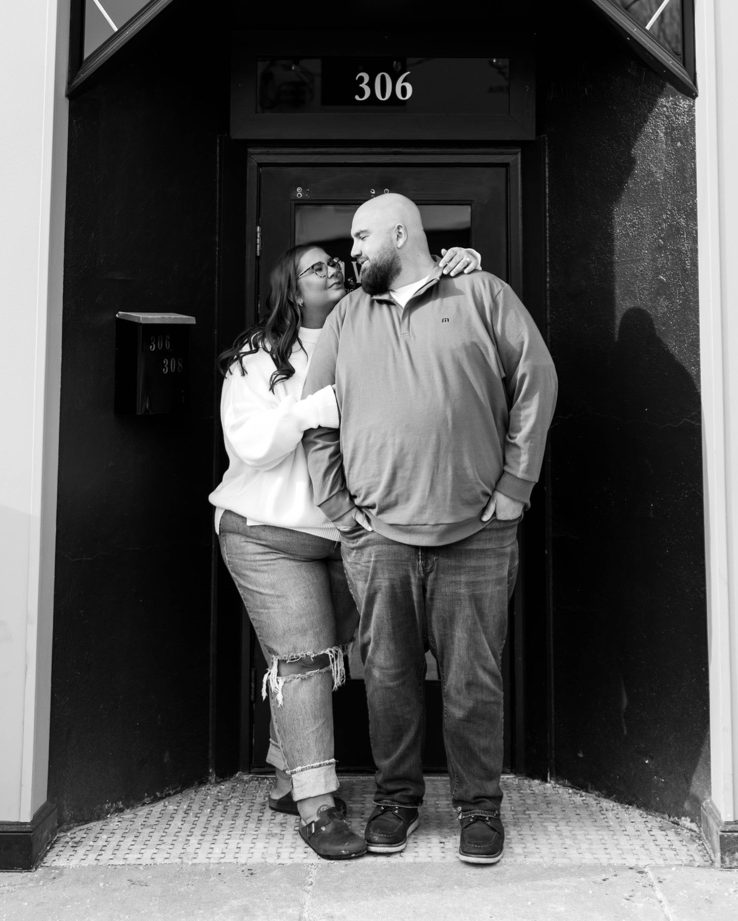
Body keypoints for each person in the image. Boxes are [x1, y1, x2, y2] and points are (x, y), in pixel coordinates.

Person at [304, 193, 557, 868]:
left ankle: (480, 808)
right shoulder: (347, 317)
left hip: (476, 532)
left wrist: (516, 485)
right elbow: (317, 416)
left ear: (399, 231)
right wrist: (336, 506)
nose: (350, 250)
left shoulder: (481, 292)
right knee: (387, 676)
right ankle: (397, 800)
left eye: (360, 235)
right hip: (381, 536)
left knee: (473, 679)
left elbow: (538, 380)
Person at [210, 239, 481, 860]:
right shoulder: (255, 360)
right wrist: (313, 408)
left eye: (336, 261)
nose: (332, 268)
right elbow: (253, 447)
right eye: (314, 267)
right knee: (303, 660)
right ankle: (316, 806)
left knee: (325, 657)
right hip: (266, 534)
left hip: (348, 537)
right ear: (290, 290)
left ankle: (287, 776)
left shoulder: (368, 331)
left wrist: (457, 263)